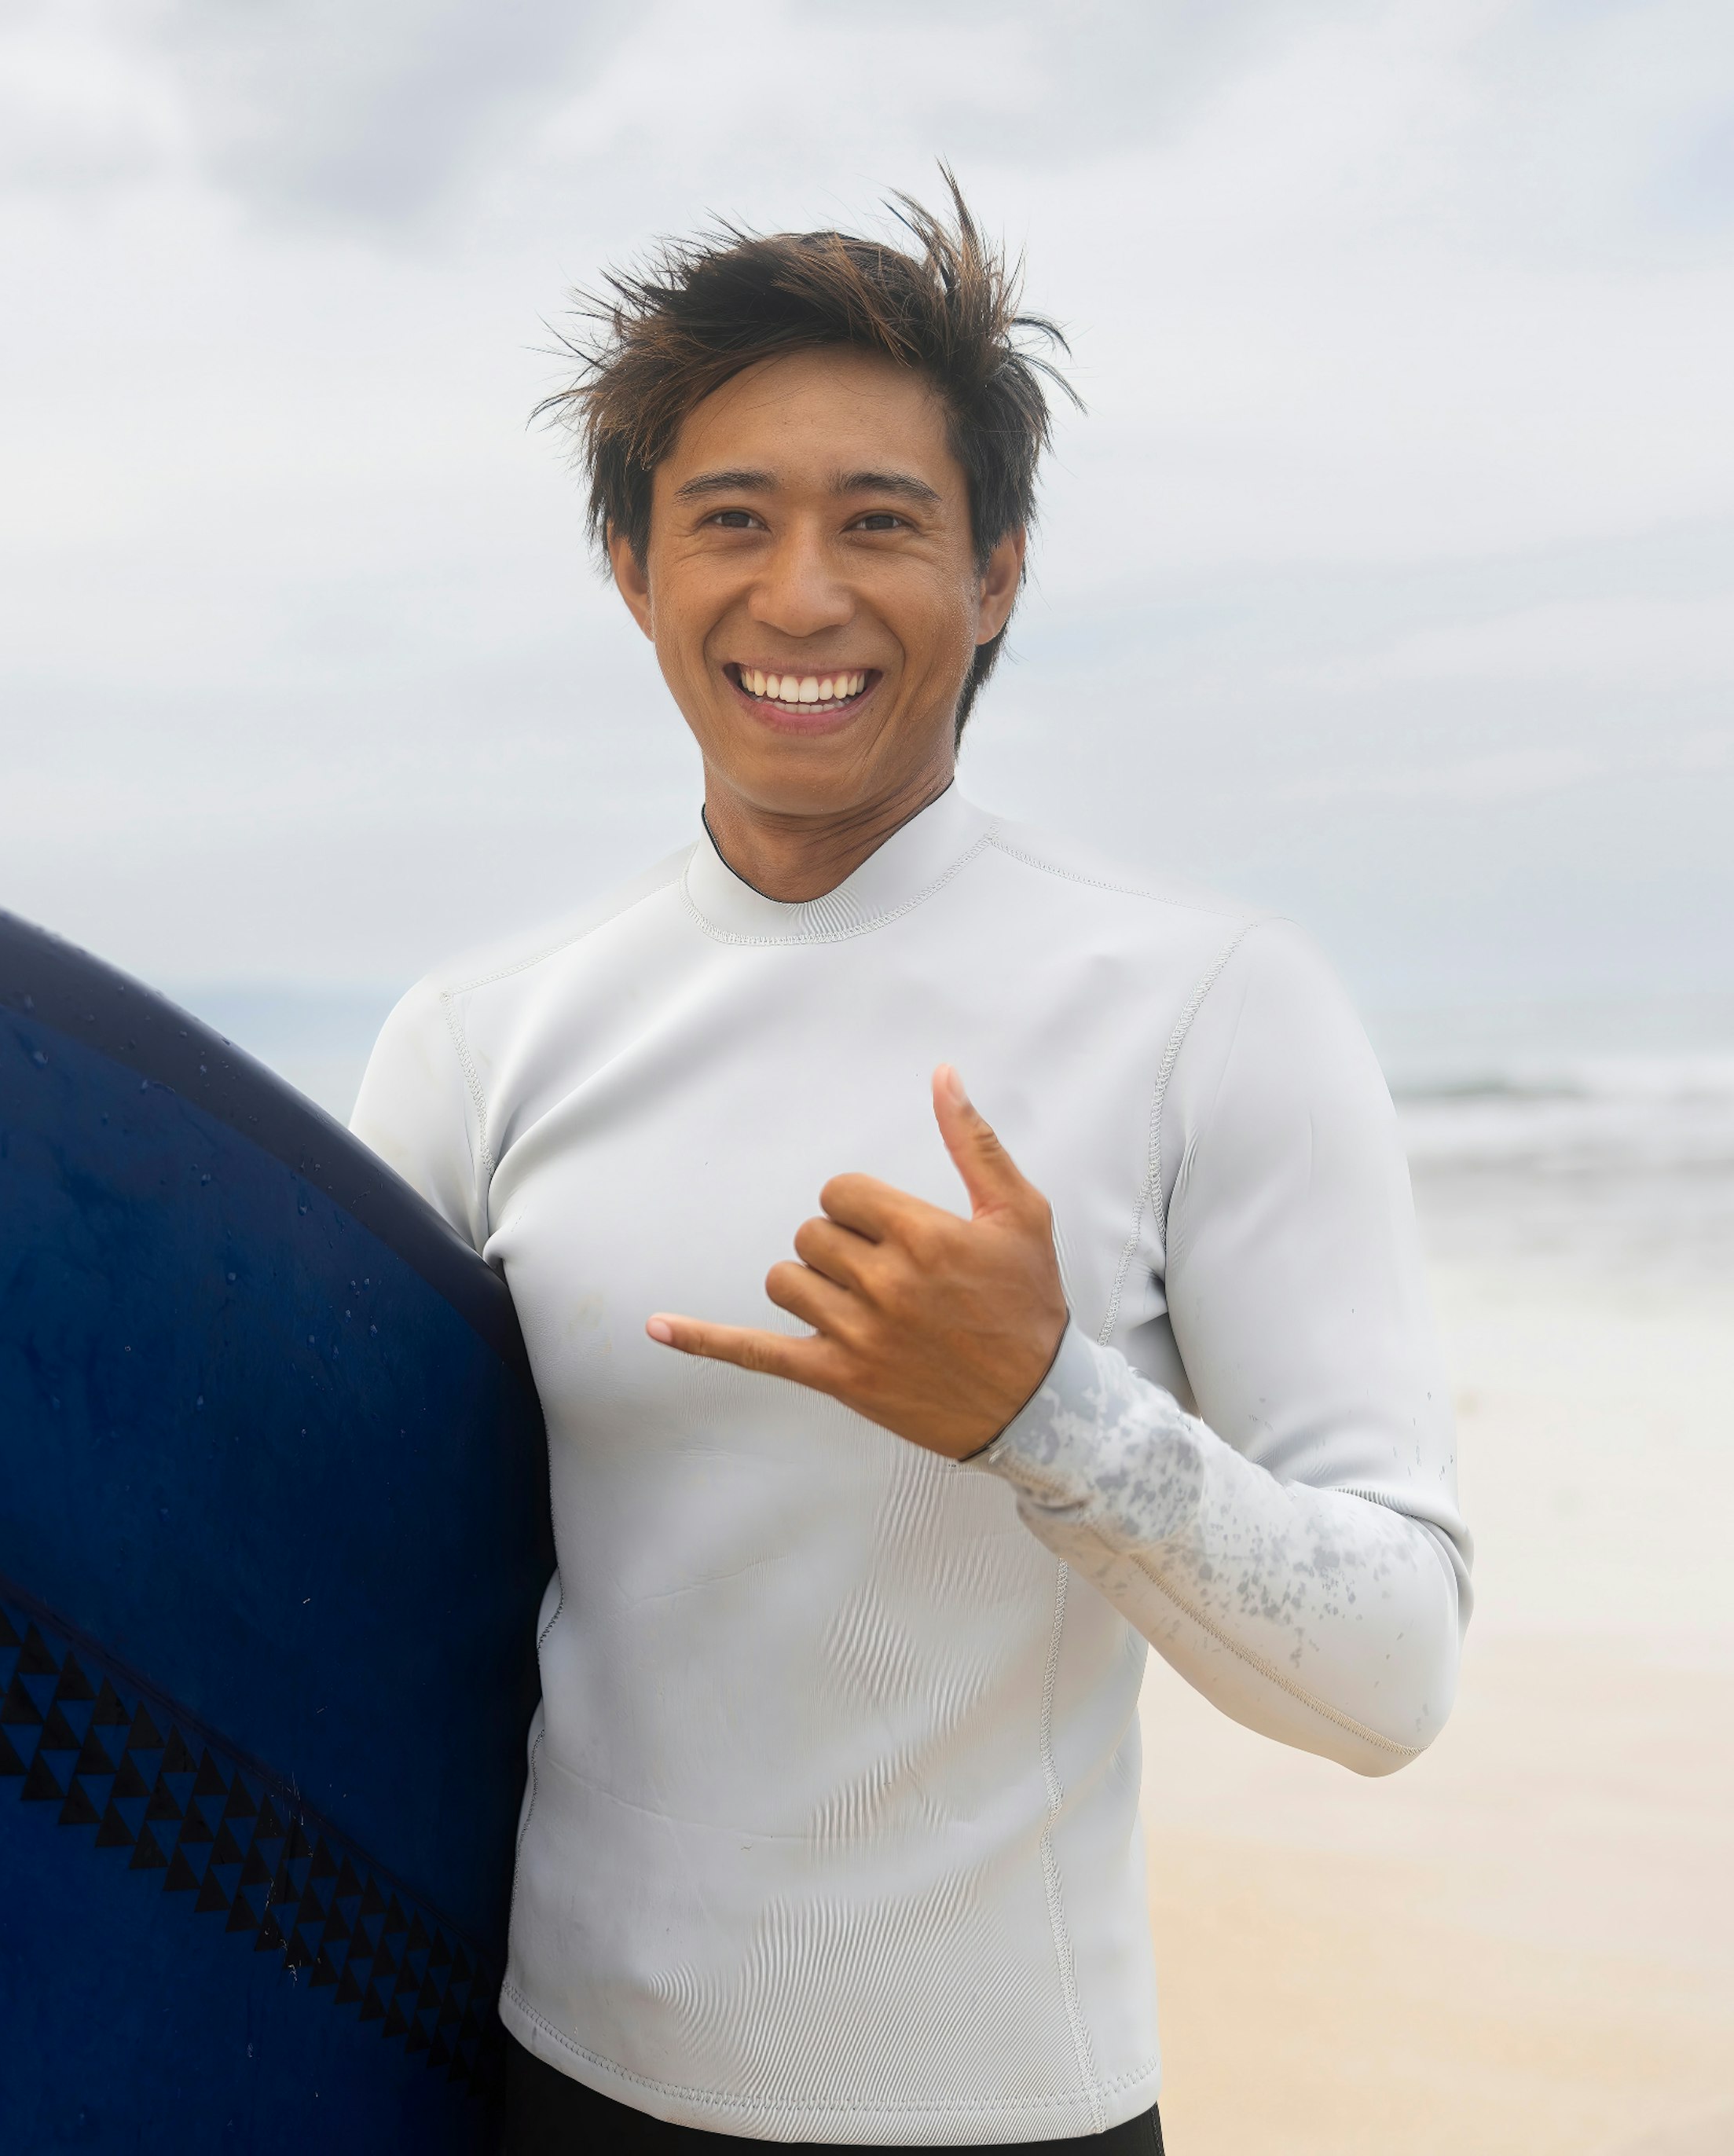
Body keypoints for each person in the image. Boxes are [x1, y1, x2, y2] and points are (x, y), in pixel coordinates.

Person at [349, 184, 1473, 2152]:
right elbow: (336, 1600)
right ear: (629, 568)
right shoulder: (482, 1040)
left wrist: (1051, 1414)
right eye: (729, 520)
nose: (801, 595)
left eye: (880, 521)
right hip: (546, 2090)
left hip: (1006, 2118)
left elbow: (1393, 1675)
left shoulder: (1210, 1007)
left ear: (1002, 573)